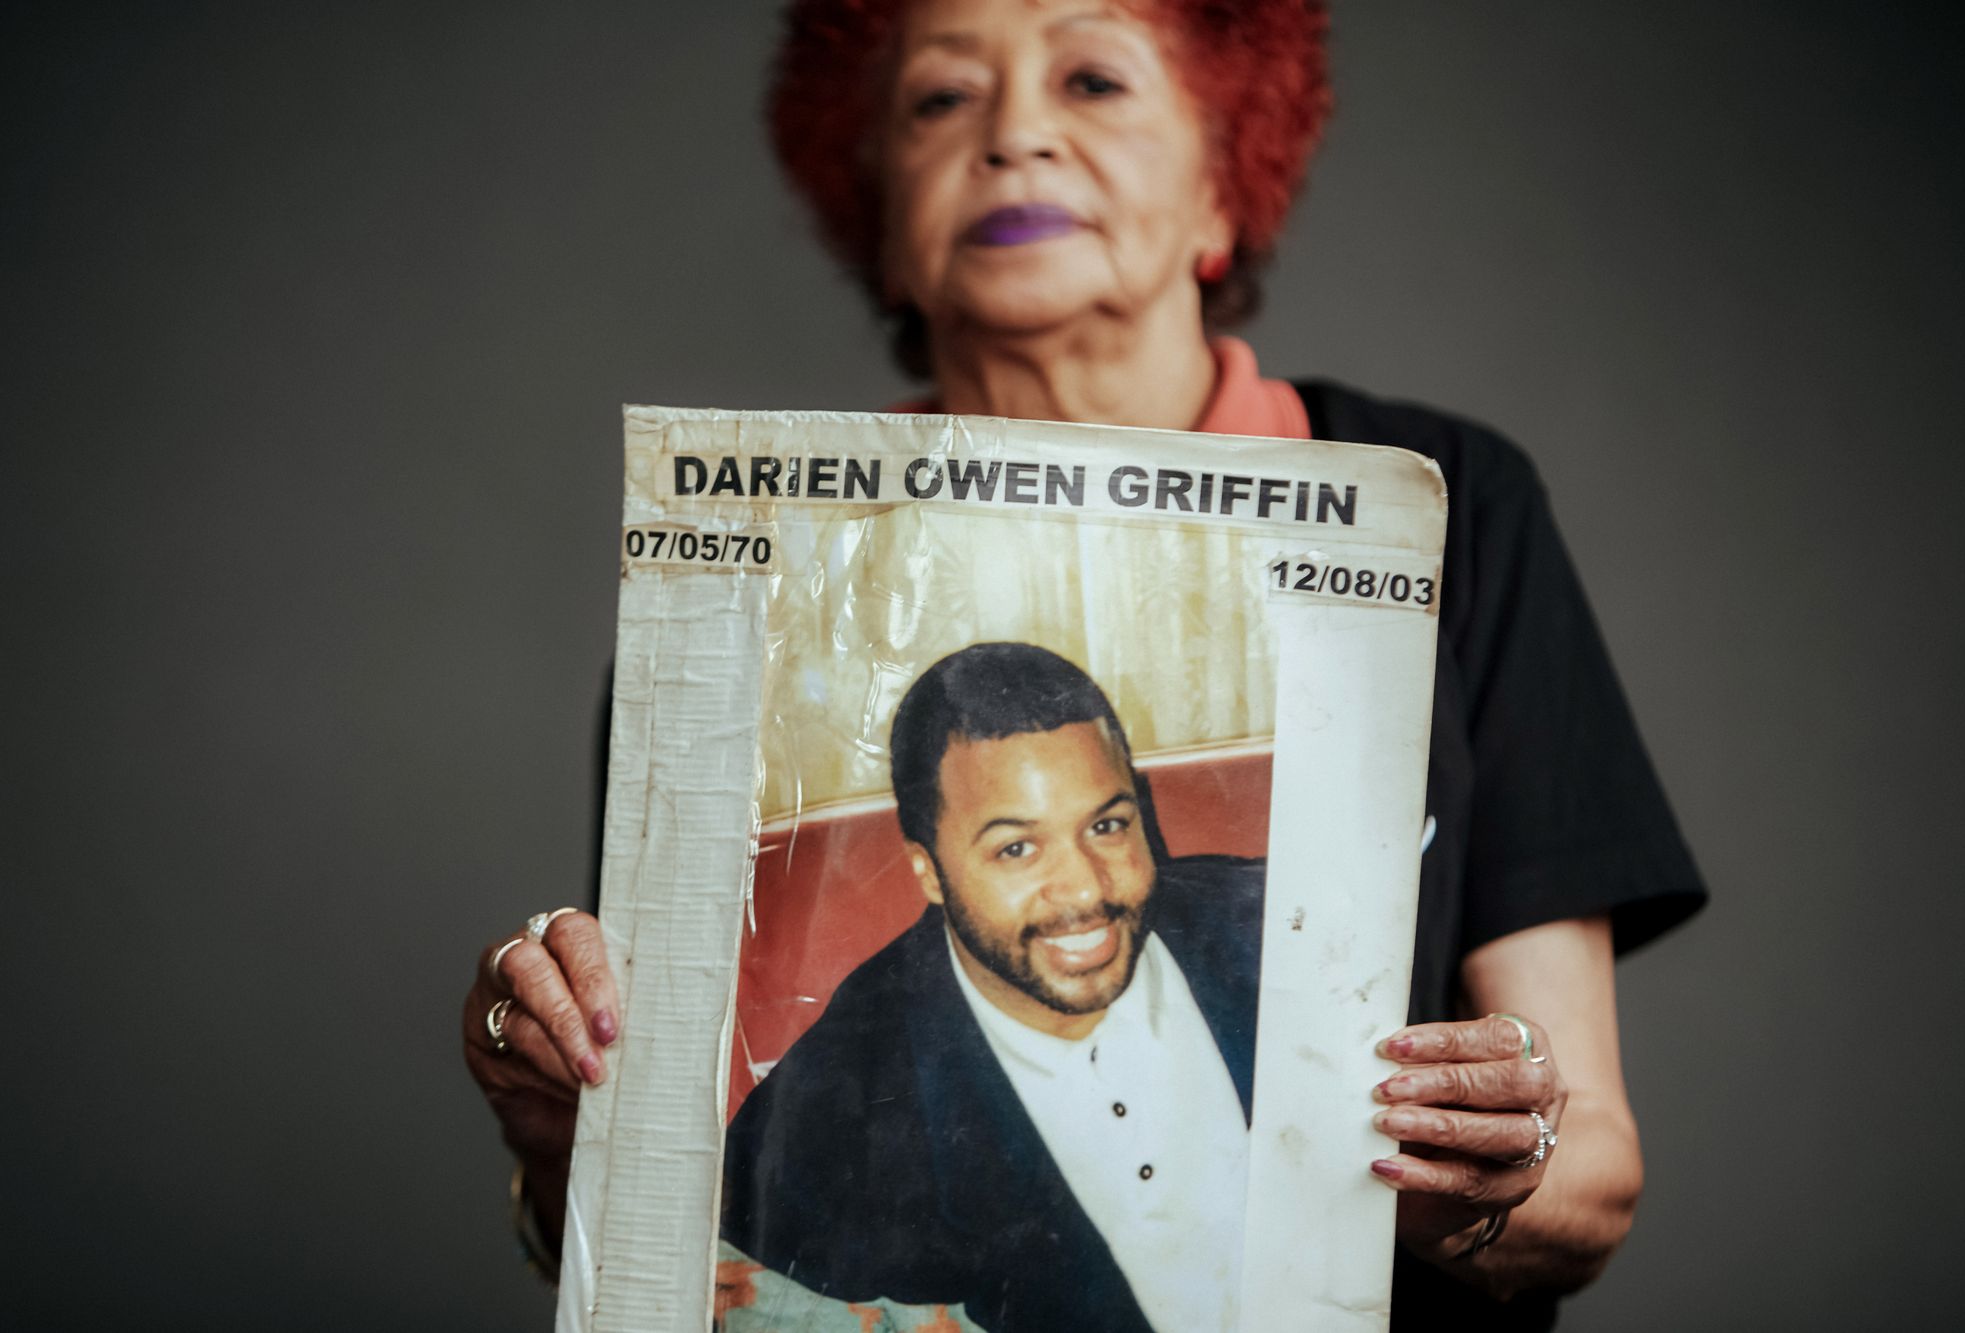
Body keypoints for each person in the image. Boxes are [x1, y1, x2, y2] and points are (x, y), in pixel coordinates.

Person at [460, 1, 1707, 1328]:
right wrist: (552, 1126)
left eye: (1094, 78)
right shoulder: (730, 595)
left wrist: (1473, 1173)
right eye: (943, 100)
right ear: (879, 221)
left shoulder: (1457, 511)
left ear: (1227, 183)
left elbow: (1596, 1178)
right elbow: (661, 1236)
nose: (1016, 135)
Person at [723, 642, 1266, 1331]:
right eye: (1017, 847)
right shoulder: (834, 1109)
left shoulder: (1281, 924)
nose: (1085, 888)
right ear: (927, 870)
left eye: (1106, 824)